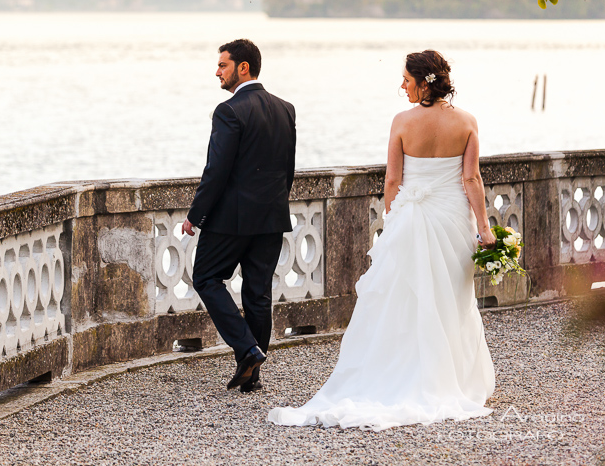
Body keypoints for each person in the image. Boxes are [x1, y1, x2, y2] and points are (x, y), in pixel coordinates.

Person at [269, 49, 496, 430]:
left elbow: (392, 181)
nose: (402, 86)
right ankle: (449, 378)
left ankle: (400, 371)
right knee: (449, 296)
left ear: (424, 82)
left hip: (411, 217)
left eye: (406, 80)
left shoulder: (403, 122)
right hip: (453, 219)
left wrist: (393, 220)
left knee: (402, 297)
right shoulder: (467, 122)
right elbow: (471, 180)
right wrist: (484, 227)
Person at [182, 38, 296, 393]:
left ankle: (247, 350)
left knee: (205, 277)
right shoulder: (286, 109)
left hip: (231, 219)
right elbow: (287, 169)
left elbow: (216, 170)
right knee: (258, 294)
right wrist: (276, 203)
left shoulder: (229, 111)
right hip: (272, 217)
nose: (217, 71)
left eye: (223, 65)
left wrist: (195, 216)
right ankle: (252, 373)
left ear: (242, 67)